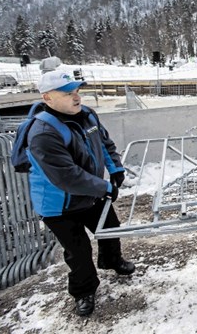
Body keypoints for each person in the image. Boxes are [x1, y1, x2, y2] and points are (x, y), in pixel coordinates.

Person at [26, 71, 135, 317]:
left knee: (110, 229)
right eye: (67, 94)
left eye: (76, 91)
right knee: (79, 250)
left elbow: (104, 143)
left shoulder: (86, 115)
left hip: (89, 193)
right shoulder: (43, 133)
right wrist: (105, 187)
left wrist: (115, 168)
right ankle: (84, 291)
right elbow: (68, 177)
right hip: (59, 205)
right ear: (48, 98)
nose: (76, 98)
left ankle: (112, 261)